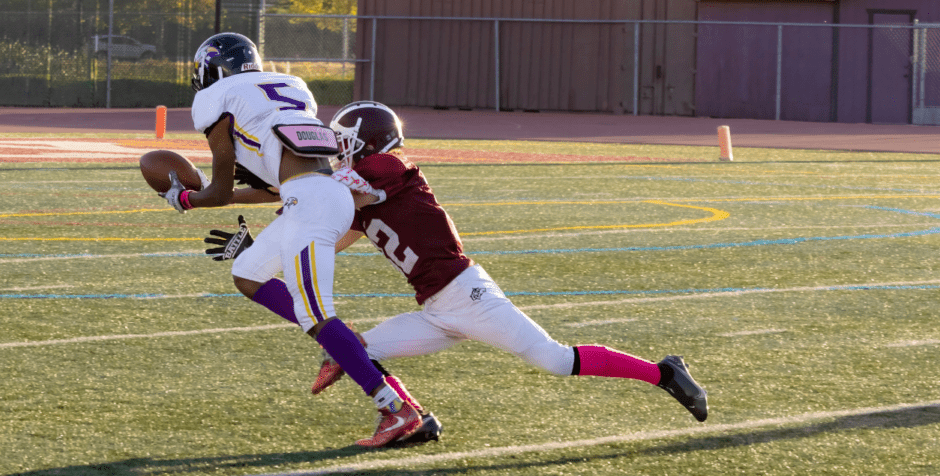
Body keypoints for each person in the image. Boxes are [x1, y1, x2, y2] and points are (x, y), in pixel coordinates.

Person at [311, 101, 710, 423]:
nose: (338, 151)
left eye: (344, 142)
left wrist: (292, 181)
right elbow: (325, 242)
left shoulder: (387, 168)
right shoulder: (365, 195)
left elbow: (336, 188)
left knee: (555, 359)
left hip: (468, 296)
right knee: (356, 349)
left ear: (365, 143)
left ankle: (664, 373)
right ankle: (409, 420)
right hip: (435, 308)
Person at [163, 33, 422, 448]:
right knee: (248, 273)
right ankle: (341, 339)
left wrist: (183, 198)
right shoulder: (291, 89)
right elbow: (275, 187)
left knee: (315, 314)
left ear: (211, 70)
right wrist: (201, 198)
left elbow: (219, 192)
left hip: (310, 203)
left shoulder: (216, 102)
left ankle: (396, 407)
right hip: (321, 192)